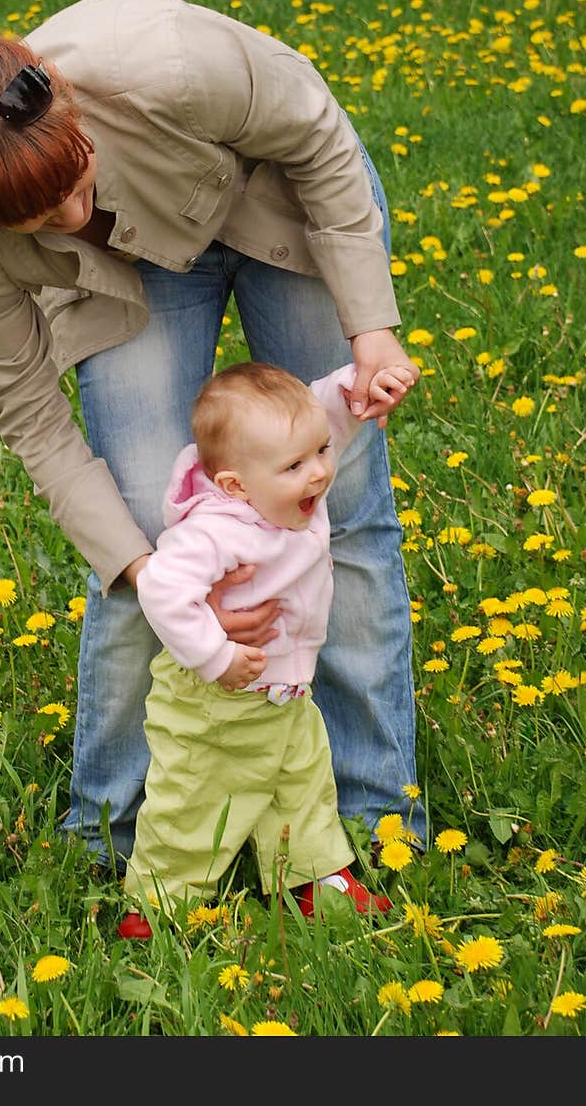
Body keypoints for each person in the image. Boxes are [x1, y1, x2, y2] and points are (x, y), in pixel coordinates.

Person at [0, 0, 425, 872]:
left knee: (339, 509)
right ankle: (109, 840)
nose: (67, 219)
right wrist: (141, 566)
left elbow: (316, 131)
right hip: (138, 274)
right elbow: (30, 414)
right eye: (37, 220)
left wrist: (371, 325)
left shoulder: (165, 62)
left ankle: (379, 825)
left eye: (72, 183)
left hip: (280, 204)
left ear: (74, 114)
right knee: (142, 533)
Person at [118, 360, 404, 939]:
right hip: (212, 702)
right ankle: (157, 906)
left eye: (321, 453)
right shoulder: (216, 530)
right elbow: (163, 589)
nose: (320, 474)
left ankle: (314, 880)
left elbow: (315, 422)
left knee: (300, 782)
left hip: (283, 691)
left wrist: (352, 390)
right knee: (194, 796)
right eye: (296, 466)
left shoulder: (286, 487)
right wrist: (215, 657)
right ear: (234, 486)